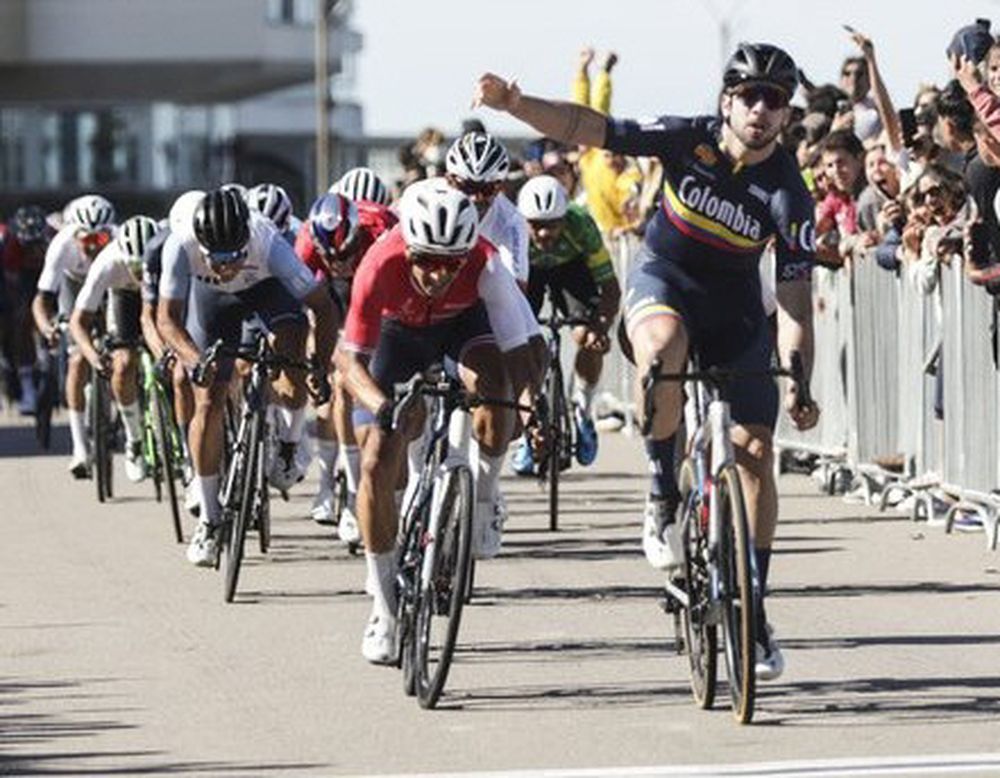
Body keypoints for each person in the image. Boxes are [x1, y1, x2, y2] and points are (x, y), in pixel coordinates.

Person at [472, 40, 820, 681]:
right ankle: (662, 493)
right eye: (750, 95)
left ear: (786, 112)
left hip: (736, 311)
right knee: (662, 349)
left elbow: (796, 299)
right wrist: (517, 105)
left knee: (756, 451)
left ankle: (753, 607)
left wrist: (799, 376)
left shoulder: (789, 193)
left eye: (775, 100)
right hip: (664, 282)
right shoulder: (688, 138)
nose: (761, 110)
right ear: (727, 100)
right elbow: (589, 127)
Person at [336, 178, 537, 663]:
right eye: (426, 260)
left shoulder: (486, 261)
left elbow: (521, 346)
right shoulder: (379, 262)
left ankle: (484, 497)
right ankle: (385, 610)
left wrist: (529, 405)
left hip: (462, 328)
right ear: (409, 249)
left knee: (496, 389)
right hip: (396, 334)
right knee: (376, 460)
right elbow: (347, 361)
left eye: (450, 263)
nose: (437, 274)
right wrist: (383, 407)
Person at [157, 188, 337, 567]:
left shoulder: (269, 243)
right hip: (212, 303)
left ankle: (288, 444)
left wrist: (318, 366)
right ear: (201, 245)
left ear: (246, 241)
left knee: (291, 349)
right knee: (208, 401)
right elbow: (167, 320)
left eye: (235, 257)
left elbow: (322, 306)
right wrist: (194, 361)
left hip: (266, 290)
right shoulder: (180, 245)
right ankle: (209, 520)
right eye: (217, 260)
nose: (227, 268)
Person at [295, 191, 397, 537]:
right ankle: (348, 491)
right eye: (330, 256)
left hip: (377, 287)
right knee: (338, 382)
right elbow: (301, 310)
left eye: (344, 253)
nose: (338, 261)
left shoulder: (380, 235)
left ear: (356, 238)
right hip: (333, 296)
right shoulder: (306, 245)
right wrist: (315, 362)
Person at [511, 174, 620, 473]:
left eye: (552, 225)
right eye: (536, 225)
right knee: (520, 343)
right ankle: (529, 426)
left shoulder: (581, 224)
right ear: (523, 220)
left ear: (565, 218)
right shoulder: (513, 229)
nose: (544, 233)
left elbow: (610, 287)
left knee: (587, 337)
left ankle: (583, 408)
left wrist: (601, 327)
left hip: (572, 269)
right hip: (528, 271)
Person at [70, 216, 161, 483]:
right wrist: (94, 357)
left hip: (160, 295)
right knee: (123, 363)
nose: (141, 273)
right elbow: (78, 322)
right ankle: (134, 440)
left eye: (146, 265)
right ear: (123, 256)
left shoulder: (169, 255)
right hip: (123, 296)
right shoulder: (107, 263)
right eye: (135, 266)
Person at [32, 194, 117, 477]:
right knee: (78, 360)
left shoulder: (119, 242)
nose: (93, 246)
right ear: (74, 235)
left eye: (100, 239)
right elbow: (41, 300)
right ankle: (80, 447)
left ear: (109, 234)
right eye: (87, 240)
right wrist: (47, 328)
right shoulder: (62, 246)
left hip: (110, 287)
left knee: (122, 350)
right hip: (74, 285)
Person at [0, 206, 54, 414]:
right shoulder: (10, 246)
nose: (33, 251)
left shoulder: (53, 240)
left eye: (37, 245)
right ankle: (26, 385)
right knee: (20, 321)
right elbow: (12, 286)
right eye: (28, 247)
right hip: (19, 278)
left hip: (48, 275)